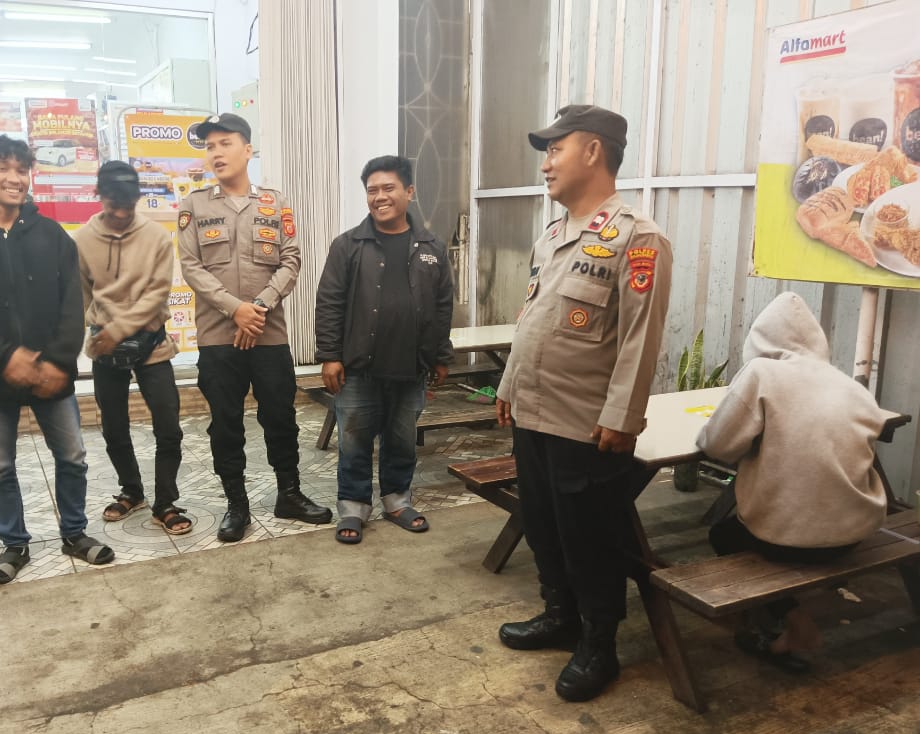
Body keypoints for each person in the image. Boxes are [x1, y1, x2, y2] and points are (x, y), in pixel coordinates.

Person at [494, 105, 673, 702]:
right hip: (533, 413)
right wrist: (507, 385)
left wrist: (623, 418)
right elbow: (533, 317)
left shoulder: (637, 237)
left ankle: (600, 645)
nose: (545, 164)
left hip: (586, 425)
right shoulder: (553, 235)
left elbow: (640, 339)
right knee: (543, 526)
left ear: (593, 151)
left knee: (590, 538)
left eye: (555, 150)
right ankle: (560, 616)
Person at [0, 135, 114, 584]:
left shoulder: (52, 236)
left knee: (73, 456)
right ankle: (14, 544)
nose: (14, 178)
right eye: (2, 168)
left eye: (21, 169)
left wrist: (57, 361)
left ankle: (75, 533)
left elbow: (72, 304)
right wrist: (4, 356)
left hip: (51, 374)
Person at [696, 291, 888, 672]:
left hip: (785, 542)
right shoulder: (851, 387)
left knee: (724, 535)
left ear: (761, 339)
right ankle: (785, 620)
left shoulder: (762, 373)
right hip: (855, 534)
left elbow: (716, 444)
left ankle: (789, 619)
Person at [177, 113, 331, 542]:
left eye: (225, 143)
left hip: (269, 335)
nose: (216, 153)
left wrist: (257, 308)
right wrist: (235, 311)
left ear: (247, 150)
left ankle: (289, 495)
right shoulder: (194, 206)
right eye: (210, 146)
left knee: (281, 417)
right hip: (217, 337)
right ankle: (237, 505)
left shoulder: (275, 203)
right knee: (225, 423)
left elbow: (291, 260)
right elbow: (191, 267)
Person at [315, 155, 454, 544]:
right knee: (354, 441)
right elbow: (329, 302)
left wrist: (441, 356)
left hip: (411, 366)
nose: (379, 196)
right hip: (359, 367)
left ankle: (396, 501)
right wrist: (330, 355)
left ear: (409, 191)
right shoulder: (348, 245)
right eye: (372, 190)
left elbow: (442, 305)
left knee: (402, 440)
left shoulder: (432, 247)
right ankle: (353, 507)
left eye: (388, 188)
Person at [75, 161, 193, 537]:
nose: (122, 214)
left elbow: (157, 293)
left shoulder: (156, 237)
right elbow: (81, 295)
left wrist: (121, 329)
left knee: (168, 426)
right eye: (115, 205)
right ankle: (132, 491)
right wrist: (93, 331)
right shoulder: (81, 240)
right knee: (114, 427)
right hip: (104, 346)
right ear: (99, 196)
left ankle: (166, 502)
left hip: (152, 342)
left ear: (138, 198)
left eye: (129, 205)